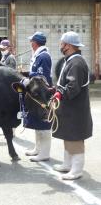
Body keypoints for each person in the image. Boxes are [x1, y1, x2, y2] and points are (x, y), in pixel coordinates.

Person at [52, 31, 92, 180]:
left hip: (75, 109)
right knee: (68, 136)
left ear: (68, 45)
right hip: (70, 108)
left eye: (62, 44)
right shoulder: (71, 60)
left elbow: (73, 87)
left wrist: (59, 94)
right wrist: (56, 89)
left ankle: (76, 170)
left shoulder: (76, 62)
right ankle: (67, 165)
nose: (60, 46)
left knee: (75, 138)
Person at [22, 31, 52, 162]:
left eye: (31, 41)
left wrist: (29, 73)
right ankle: (37, 149)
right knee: (37, 123)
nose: (30, 43)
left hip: (43, 95)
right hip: (37, 93)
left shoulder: (44, 56)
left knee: (43, 123)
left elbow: (42, 77)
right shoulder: (38, 55)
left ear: (35, 43)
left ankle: (44, 153)